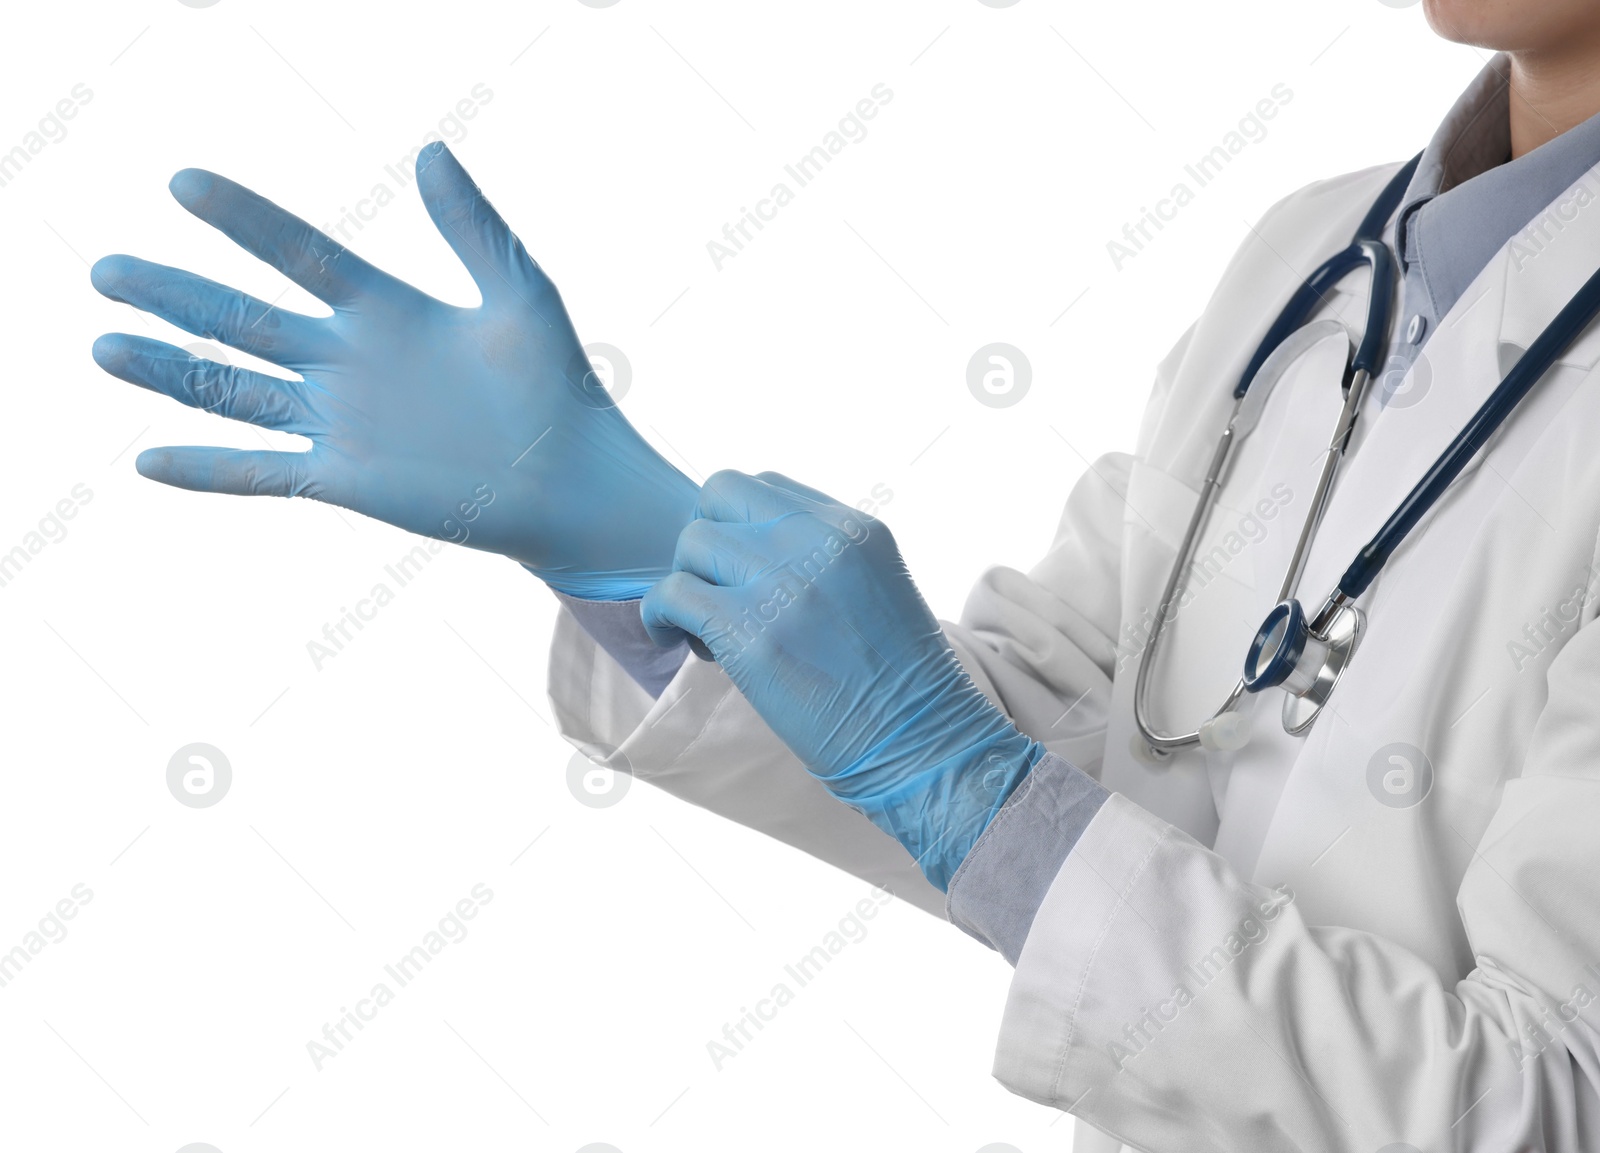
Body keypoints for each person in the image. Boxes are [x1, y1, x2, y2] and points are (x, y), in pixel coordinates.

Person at [87, 1, 1600, 1147]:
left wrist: (964, 781)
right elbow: (1095, 734)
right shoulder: (1312, 255)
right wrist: (638, 546)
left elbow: (1547, 1100)